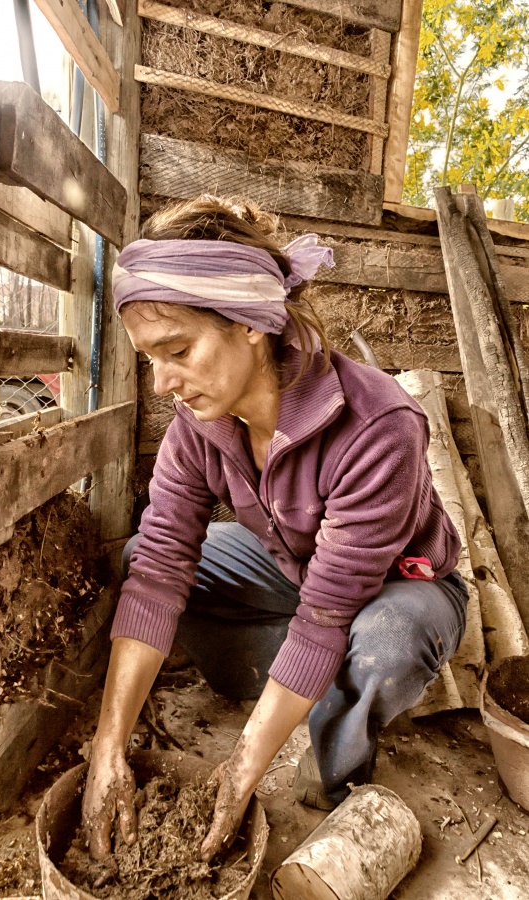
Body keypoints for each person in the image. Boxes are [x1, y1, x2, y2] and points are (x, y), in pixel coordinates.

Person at [82, 196, 468, 863]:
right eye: (150, 359)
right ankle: (297, 679)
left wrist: (238, 773)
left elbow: (325, 613)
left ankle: (329, 777)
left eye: (176, 350)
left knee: (386, 642)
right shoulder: (199, 425)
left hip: (393, 590)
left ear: (252, 324)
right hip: (290, 571)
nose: (163, 383)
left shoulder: (378, 427)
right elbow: (160, 573)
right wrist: (106, 749)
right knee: (143, 554)